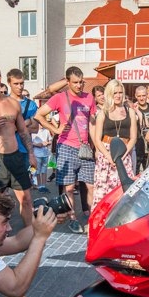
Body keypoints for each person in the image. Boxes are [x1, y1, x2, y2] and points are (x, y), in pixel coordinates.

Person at [34, 67, 96, 234]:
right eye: (75, 82)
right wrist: (55, 130)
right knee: (68, 188)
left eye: (81, 82)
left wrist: (94, 145)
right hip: (66, 146)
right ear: (67, 82)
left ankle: (91, 218)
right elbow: (39, 114)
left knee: (90, 186)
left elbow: (93, 124)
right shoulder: (60, 97)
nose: (79, 85)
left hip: (85, 148)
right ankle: (73, 218)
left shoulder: (89, 98)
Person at [0, 64, 35, 226]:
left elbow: (23, 131)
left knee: (27, 200)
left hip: (15, 157)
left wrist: (31, 154)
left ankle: (30, 237)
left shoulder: (13, 103)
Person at [93, 79, 137, 204]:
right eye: (115, 93)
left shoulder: (130, 112)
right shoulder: (103, 113)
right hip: (106, 154)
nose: (118, 96)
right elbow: (97, 139)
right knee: (103, 190)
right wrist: (108, 157)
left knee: (124, 189)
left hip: (124, 152)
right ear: (109, 94)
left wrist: (124, 153)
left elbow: (133, 137)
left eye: (120, 92)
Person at [132, 85, 149, 173]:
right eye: (139, 96)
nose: (141, 98)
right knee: (135, 171)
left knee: (148, 172)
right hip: (137, 145)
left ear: (147, 95)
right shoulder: (132, 108)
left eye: (143, 95)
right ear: (136, 96)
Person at [31, 122, 51, 193]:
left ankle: (43, 185)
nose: (41, 125)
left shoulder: (47, 131)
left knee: (44, 170)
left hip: (45, 153)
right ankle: (38, 185)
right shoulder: (33, 132)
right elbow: (30, 143)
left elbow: (50, 141)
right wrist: (37, 144)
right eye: (40, 123)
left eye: (42, 123)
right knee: (37, 170)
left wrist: (47, 143)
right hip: (36, 154)